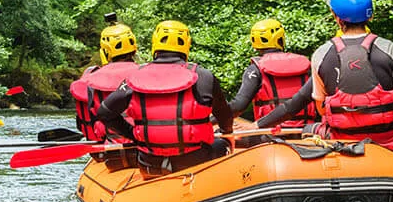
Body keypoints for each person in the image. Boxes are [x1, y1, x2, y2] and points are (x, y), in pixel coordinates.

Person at [267, 0, 393, 153]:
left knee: (309, 129)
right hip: (389, 145)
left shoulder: (321, 55)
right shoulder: (392, 50)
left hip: (342, 145)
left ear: (337, 18)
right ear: (370, 16)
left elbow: (322, 108)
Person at [93, 20, 236, 157]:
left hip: (149, 161)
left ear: (154, 44)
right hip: (195, 158)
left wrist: (133, 134)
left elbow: (104, 113)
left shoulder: (135, 76)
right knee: (223, 143)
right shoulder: (204, 76)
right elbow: (224, 115)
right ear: (186, 45)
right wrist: (226, 131)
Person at [228, 18, 319, 129]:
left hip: (268, 132)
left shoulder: (255, 69)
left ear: (254, 41)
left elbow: (239, 106)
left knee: (221, 139)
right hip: (305, 129)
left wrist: (212, 119)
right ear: (281, 38)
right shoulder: (307, 66)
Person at [70, 20, 138, 137]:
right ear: (134, 49)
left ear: (105, 51)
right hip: (142, 141)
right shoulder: (145, 75)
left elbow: (85, 121)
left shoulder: (89, 79)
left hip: (107, 143)